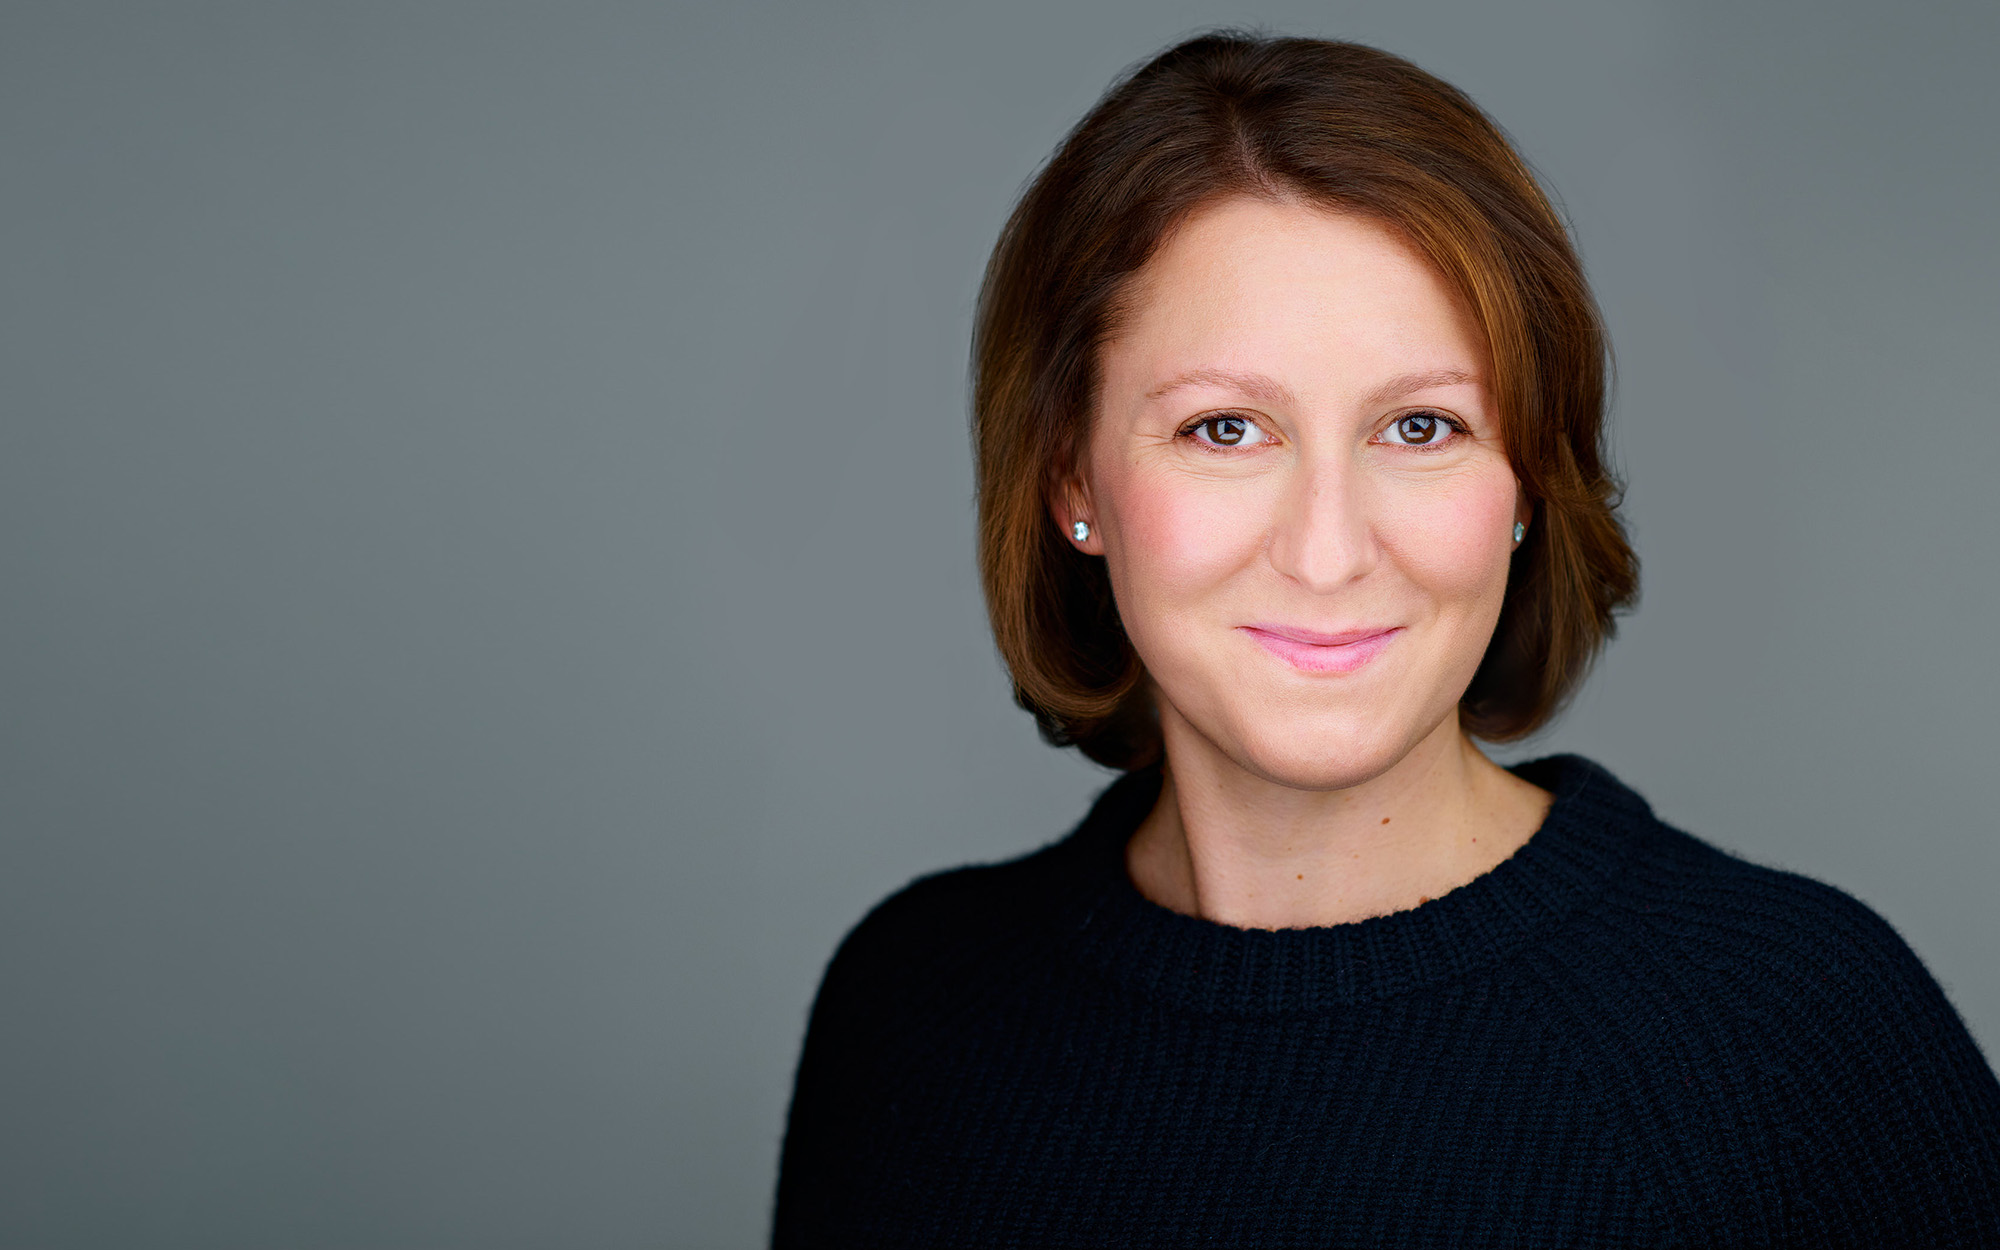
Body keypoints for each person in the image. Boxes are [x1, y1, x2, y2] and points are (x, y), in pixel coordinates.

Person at [772, 32, 2000, 1247]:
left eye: (1418, 428)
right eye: (1223, 429)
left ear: (1526, 482)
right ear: (1068, 478)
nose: (1325, 551)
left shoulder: (1792, 1038)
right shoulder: (910, 1009)